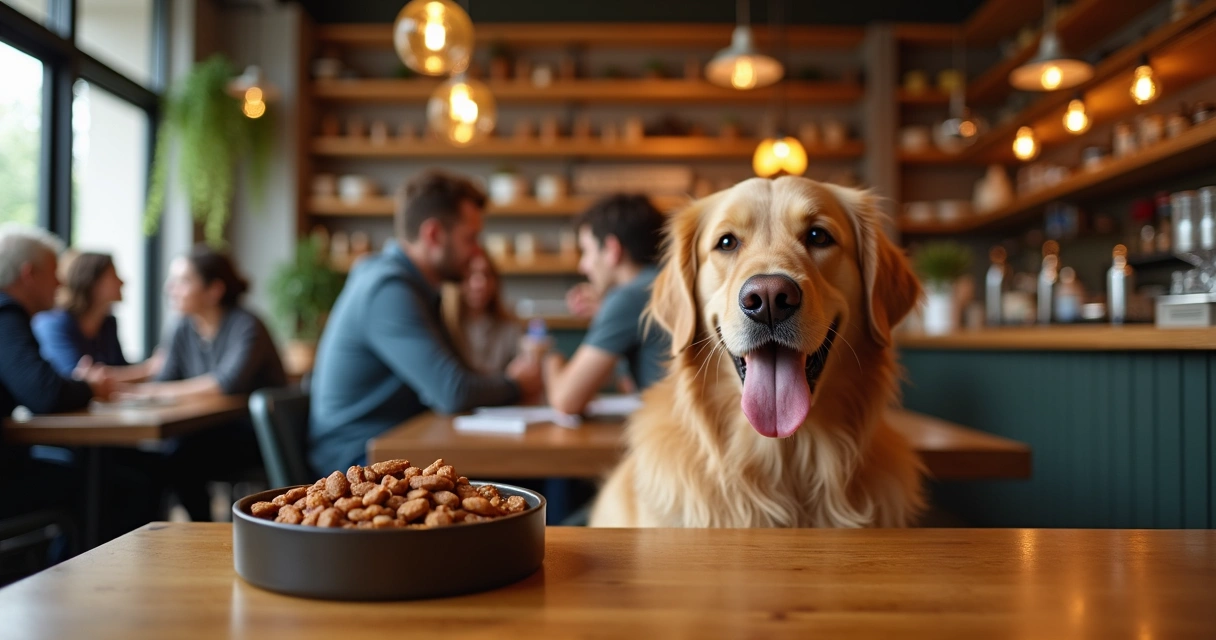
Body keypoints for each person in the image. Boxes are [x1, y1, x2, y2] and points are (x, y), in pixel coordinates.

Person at [309, 170, 543, 475]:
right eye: (470, 238)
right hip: (354, 465)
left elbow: (458, 377)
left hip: (394, 446)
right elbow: (453, 392)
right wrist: (517, 384)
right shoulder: (387, 289)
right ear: (433, 234)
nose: (476, 252)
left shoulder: (417, 289)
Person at [123, 245, 286, 522]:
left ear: (214, 290)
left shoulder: (247, 325)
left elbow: (226, 383)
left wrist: (150, 391)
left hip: (256, 436)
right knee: (157, 458)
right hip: (205, 432)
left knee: (179, 456)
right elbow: (165, 378)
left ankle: (202, 528)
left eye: (183, 281)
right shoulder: (182, 327)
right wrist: (146, 389)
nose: (170, 288)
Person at [544, 194, 670, 415]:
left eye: (586, 251)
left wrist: (549, 358)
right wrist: (606, 313)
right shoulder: (662, 284)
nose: (583, 266)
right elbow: (628, 386)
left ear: (612, 250)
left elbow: (565, 401)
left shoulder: (628, 297)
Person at [32, 252, 160, 383]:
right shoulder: (54, 324)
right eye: (113, 276)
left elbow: (119, 367)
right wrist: (149, 369)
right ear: (92, 281)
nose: (122, 282)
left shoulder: (107, 324)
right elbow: (77, 379)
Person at [441, 253, 521, 374]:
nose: (480, 284)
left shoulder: (509, 325)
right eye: (469, 275)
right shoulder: (442, 326)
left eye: (487, 275)